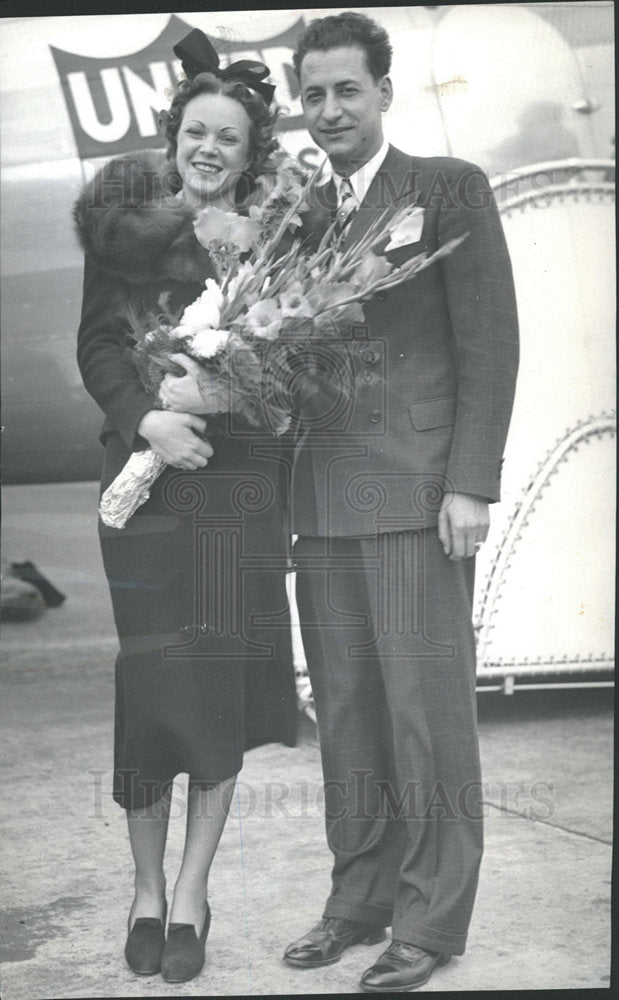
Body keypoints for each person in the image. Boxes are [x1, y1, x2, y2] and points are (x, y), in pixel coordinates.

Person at [283, 12, 519, 992]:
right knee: (345, 715)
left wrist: (469, 480)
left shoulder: (445, 187)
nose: (329, 108)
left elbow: (489, 341)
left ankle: (428, 920)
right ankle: (358, 899)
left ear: (383, 92)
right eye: (314, 93)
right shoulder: (291, 213)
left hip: (419, 497)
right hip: (323, 499)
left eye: (346, 89)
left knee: (426, 716)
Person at [75, 31, 296, 985]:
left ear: (251, 157)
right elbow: (95, 351)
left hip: (235, 492)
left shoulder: (273, 246)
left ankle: (193, 893)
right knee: (155, 689)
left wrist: (232, 392)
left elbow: (297, 372)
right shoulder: (122, 238)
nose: (210, 149)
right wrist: (145, 424)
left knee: (214, 696)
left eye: (230, 139)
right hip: (147, 490)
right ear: (173, 139)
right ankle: (144, 891)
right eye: (197, 132)